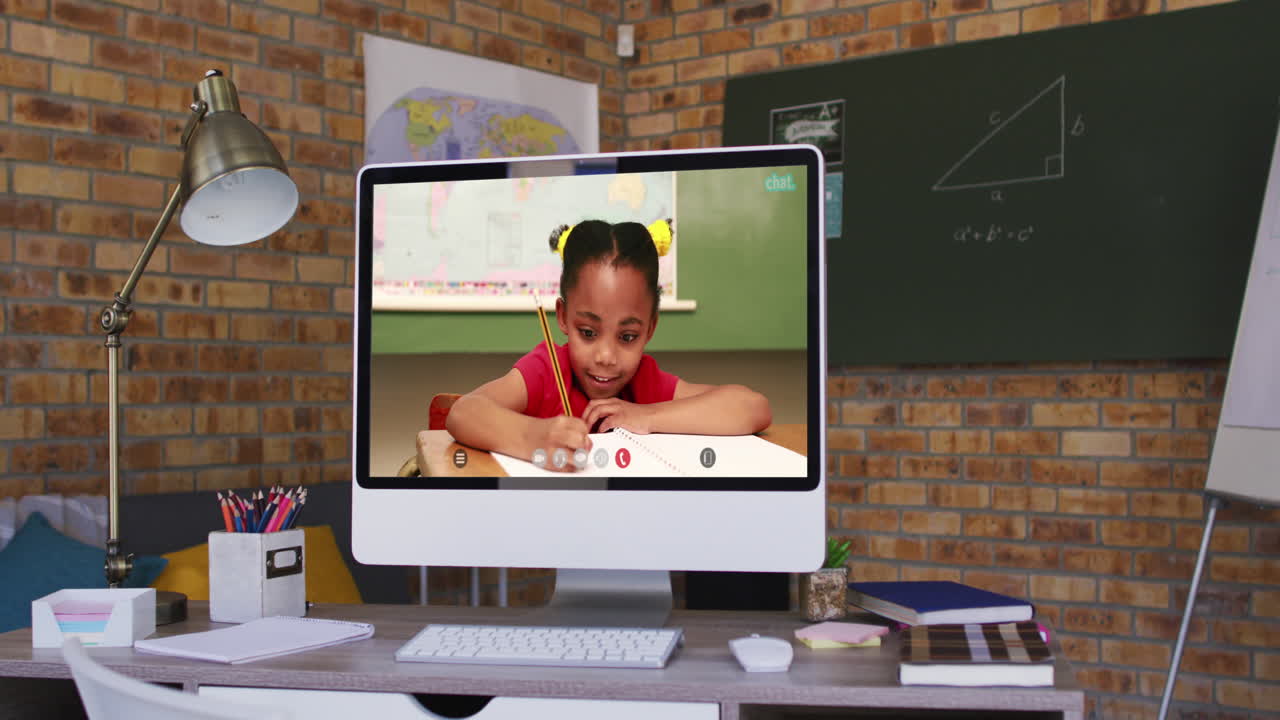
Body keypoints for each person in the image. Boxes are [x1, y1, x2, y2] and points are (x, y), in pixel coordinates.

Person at [446, 219, 772, 468]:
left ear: (650, 328)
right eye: (588, 332)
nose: (605, 356)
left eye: (627, 337)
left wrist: (647, 416)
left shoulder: (644, 382)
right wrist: (534, 438)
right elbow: (463, 412)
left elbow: (753, 407)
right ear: (562, 316)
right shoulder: (547, 370)